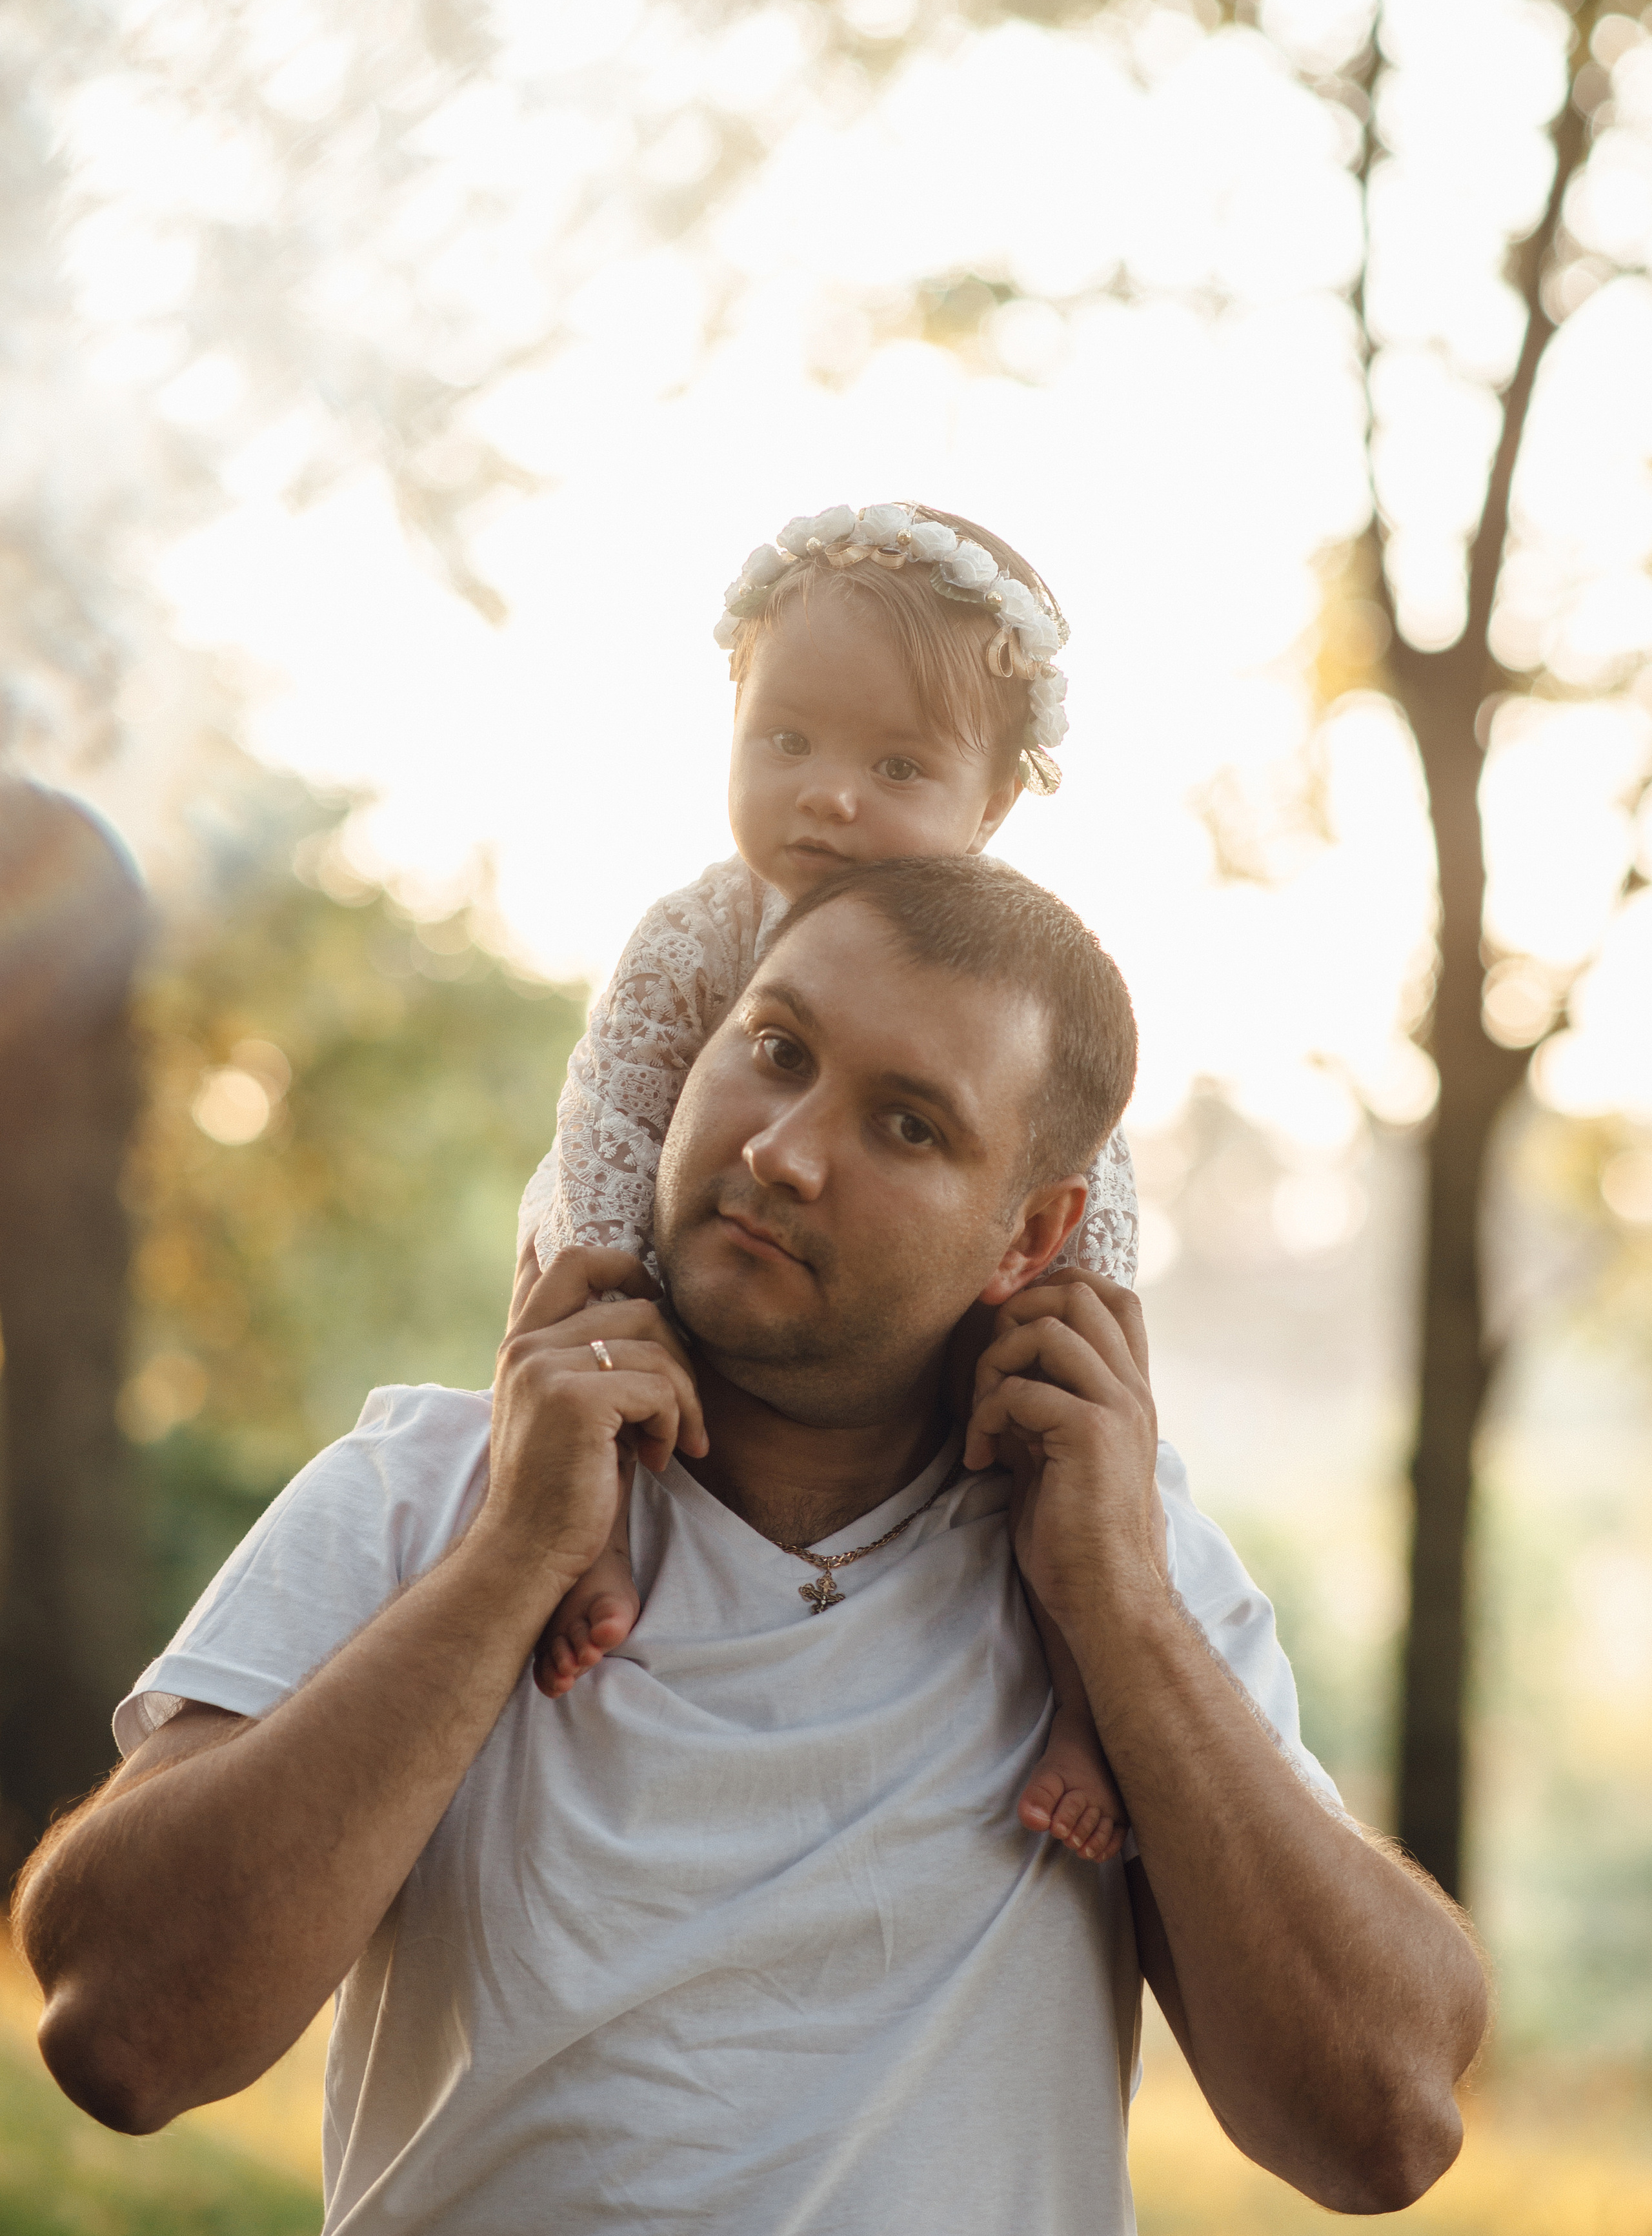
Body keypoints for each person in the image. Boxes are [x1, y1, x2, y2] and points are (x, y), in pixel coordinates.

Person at [18, 856, 1486, 2236]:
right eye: (774, 1050)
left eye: (906, 1124)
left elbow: (1382, 2125)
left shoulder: (1120, 1564)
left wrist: (1116, 1608)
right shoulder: (432, 1489)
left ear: (1027, 1240)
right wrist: (514, 1558)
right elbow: (117, 2032)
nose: (782, 1153)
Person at [523, 498, 1134, 1862]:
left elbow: (1095, 1216)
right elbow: (611, 1119)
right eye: (784, 741)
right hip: (641, 1240)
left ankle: (1088, 1711)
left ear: (991, 807)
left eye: (897, 765)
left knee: (1069, 1485)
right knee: (563, 1348)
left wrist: (1093, 1359)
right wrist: (613, 1279)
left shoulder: (1018, 1004)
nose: (827, 795)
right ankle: (585, 1542)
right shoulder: (699, 931)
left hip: (918, 1332)